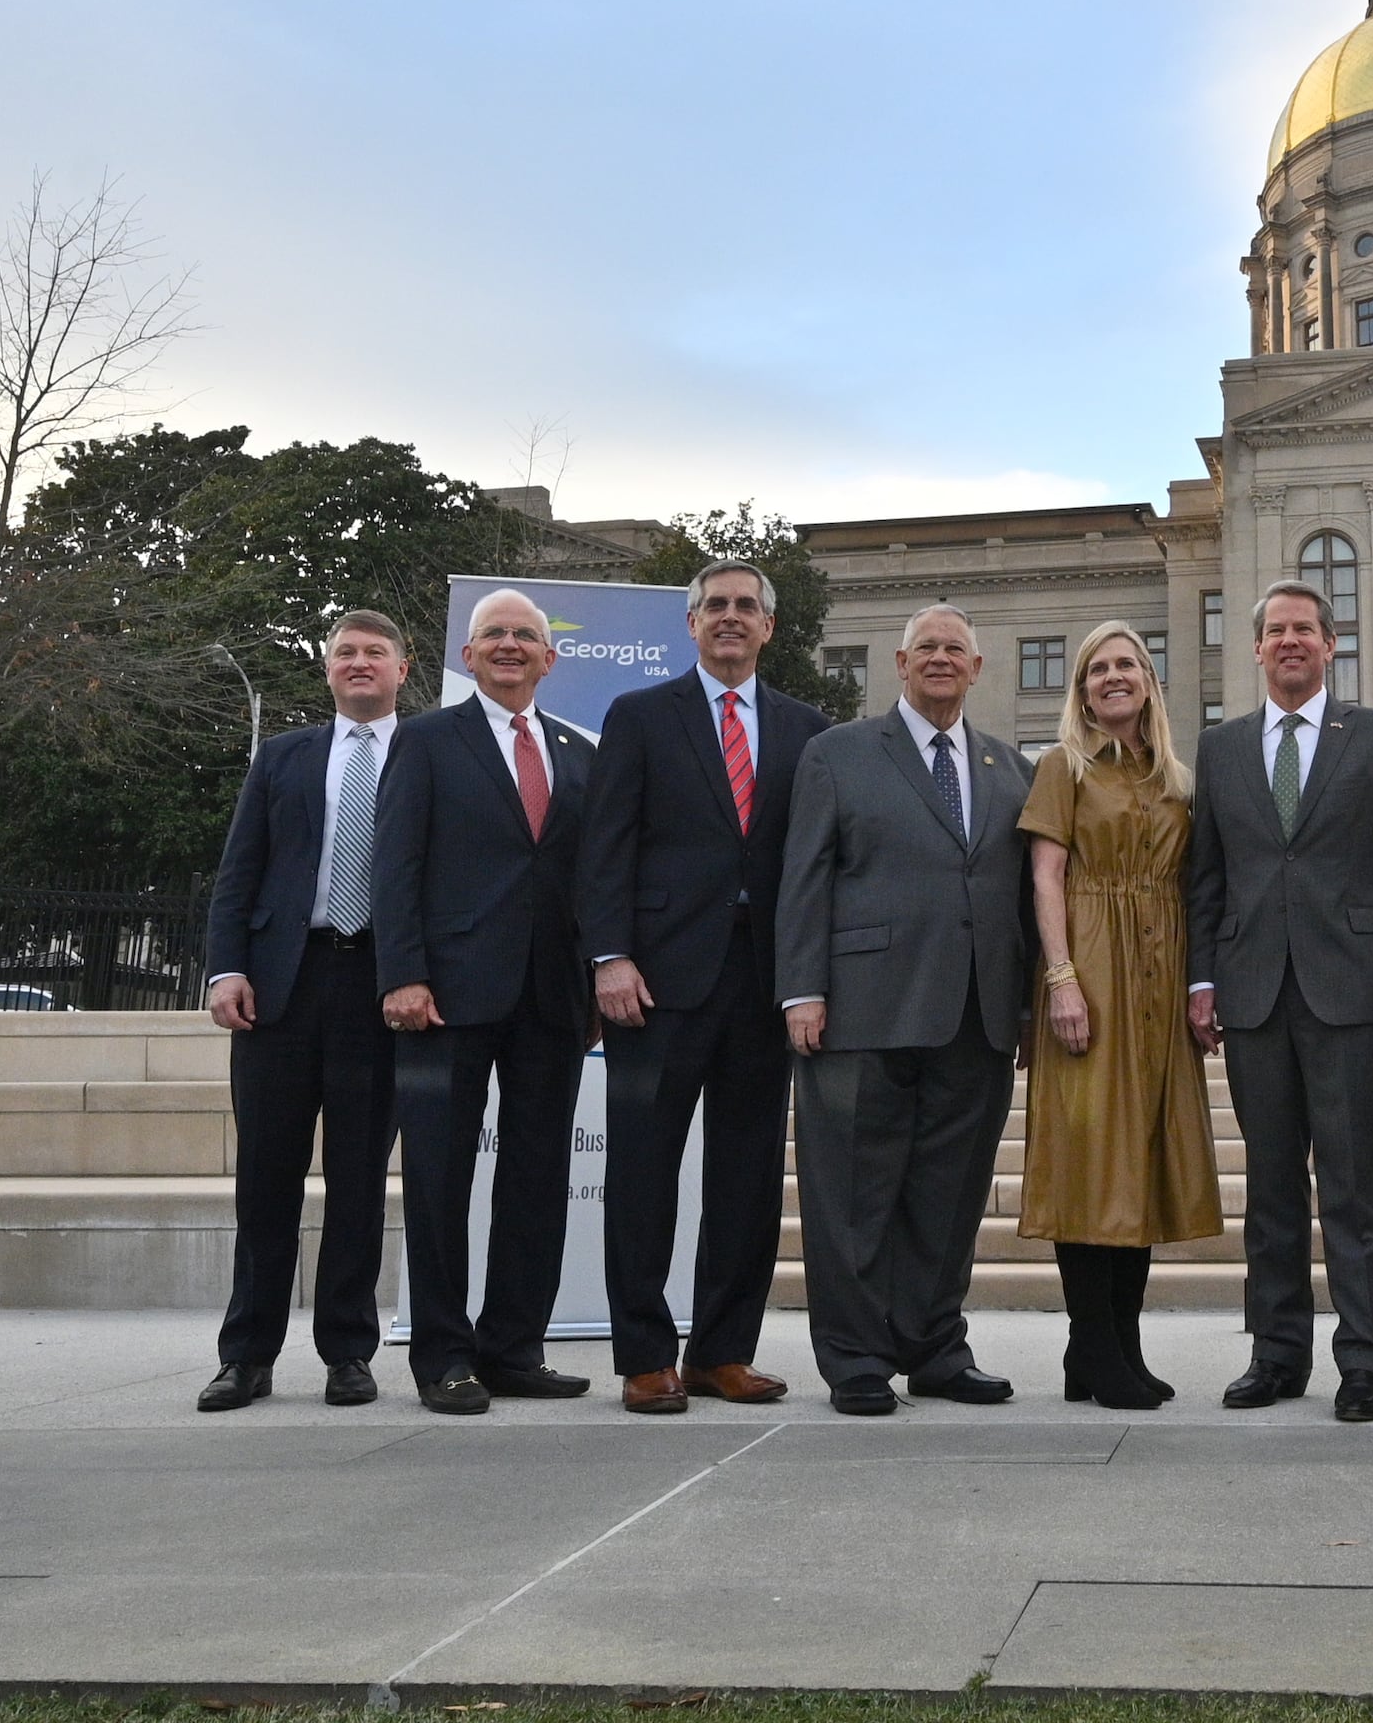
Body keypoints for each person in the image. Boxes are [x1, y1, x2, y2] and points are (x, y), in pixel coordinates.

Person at [574, 558, 826, 1415]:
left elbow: (815, 862)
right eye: (714, 605)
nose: (729, 617)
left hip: (764, 987)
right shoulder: (641, 717)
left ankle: (724, 1352)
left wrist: (809, 980)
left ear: (769, 628)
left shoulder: (806, 729)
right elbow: (606, 844)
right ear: (690, 625)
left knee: (748, 1180)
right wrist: (610, 956)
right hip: (657, 983)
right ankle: (645, 1355)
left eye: (745, 607)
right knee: (644, 1173)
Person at [1185, 578, 1373, 1423]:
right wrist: (1202, 979)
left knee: (1352, 1186)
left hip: (1346, 991)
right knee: (1269, 1187)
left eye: (1306, 629)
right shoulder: (1220, 750)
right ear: (1255, 649)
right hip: (1253, 994)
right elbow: (1207, 880)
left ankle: (1364, 1361)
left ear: (1332, 645)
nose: (1290, 641)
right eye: (1276, 631)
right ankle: (1276, 1354)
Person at [775, 604, 1034, 1415]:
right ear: (899, 661)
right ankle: (854, 1358)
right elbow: (805, 877)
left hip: (976, 1016)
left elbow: (1023, 897)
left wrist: (1024, 1005)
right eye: (927, 647)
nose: (941, 659)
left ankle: (935, 1349)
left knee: (949, 1196)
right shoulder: (837, 754)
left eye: (956, 648)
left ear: (977, 668)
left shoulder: (1008, 766)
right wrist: (802, 988)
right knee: (852, 1193)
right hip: (861, 1011)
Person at [373, 588, 597, 1416]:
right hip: (445, 997)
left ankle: (513, 1349)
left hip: (551, 998)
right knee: (439, 1180)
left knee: (538, 1177)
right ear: (467, 657)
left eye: (525, 636)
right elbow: (393, 863)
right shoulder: (428, 741)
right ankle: (443, 1358)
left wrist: (597, 974)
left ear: (550, 656)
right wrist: (401, 972)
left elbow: (592, 879)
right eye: (493, 635)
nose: (509, 645)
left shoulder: (580, 753)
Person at [194, 608, 412, 1414]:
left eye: (375, 653)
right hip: (279, 991)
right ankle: (246, 1355)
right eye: (345, 653)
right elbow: (237, 872)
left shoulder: (428, 757)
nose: (360, 664)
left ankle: (348, 1355)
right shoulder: (282, 758)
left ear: (402, 668)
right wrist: (226, 970)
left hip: (381, 991)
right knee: (266, 1180)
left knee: (358, 1181)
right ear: (328, 669)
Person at [1016, 620, 1222, 1410]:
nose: (1112, 676)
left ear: (1149, 679)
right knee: (1089, 1159)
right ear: (1082, 688)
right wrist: (1062, 979)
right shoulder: (1063, 765)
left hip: (1158, 975)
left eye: (1126, 664)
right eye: (1097, 668)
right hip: (1092, 967)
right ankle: (1096, 1346)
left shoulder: (1171, 775)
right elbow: (1046, 876)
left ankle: (1114, 1349)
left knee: (1138, 1163)